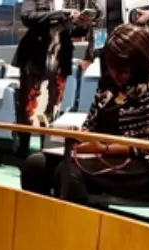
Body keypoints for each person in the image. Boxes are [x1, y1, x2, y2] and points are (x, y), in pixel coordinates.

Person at [21, 25, 149, 208]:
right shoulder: (107, 82)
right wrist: (81, 137)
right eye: (113, 68)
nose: (117, 75)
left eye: (124, 70)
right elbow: (92, 123)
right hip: (102, 153)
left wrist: (104, 148)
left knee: (69, 173)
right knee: (35, 165)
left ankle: (79, 234)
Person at [13, 0, 96, 156]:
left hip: (60, 59)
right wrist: (61, 14)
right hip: (35, 58)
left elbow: (75, 32)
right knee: (29, 108)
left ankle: (45, 154)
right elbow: (27, 16)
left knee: (52, 108)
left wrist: (82, 24)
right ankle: (23, 153)